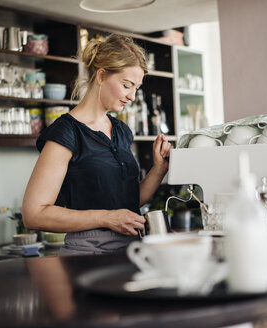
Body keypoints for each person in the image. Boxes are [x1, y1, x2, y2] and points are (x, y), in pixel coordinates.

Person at [22, 34, 172, 256]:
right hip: (88, 253)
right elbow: (33, 214)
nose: (132, 96)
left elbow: (128, 202)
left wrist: (159, 169)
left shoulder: (122, 131)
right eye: (127, 85)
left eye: (136, 88)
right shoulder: (67, 132)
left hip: (131, 250)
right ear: (101, 75)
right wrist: (106, 218)